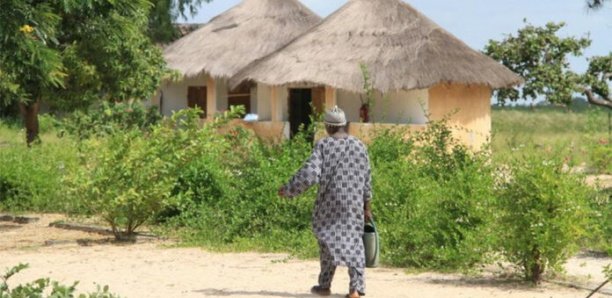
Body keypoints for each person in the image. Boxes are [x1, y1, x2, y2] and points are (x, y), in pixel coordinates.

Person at [278, 106, 373, 298]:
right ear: (344, 125)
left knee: (327, 241)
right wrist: (367, 207)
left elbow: (310, 174)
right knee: (354, 242)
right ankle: (355, 289)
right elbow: (367, 180)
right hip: (353, 204)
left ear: (328, 127)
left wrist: (288, 190)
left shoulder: (323, 146)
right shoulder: (360, 146)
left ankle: (324, 285)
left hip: (329, 204)